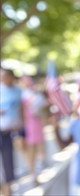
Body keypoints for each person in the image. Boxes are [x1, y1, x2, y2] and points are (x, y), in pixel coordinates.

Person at [0, 68, 24, 196]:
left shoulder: (18, 90)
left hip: (11, 131)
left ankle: (8, 189)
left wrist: (21, 124)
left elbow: (21, 108)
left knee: (8, 160)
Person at [20, 75, 48, 181]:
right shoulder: (23, 94)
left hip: (36, 123)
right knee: (29, 148)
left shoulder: (35, 93)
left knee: (37, 146)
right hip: (27, 125)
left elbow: (43, 107)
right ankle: (32, 170)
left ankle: (36, 167)